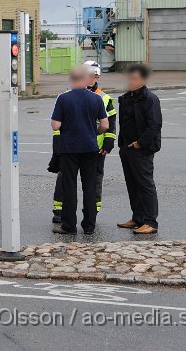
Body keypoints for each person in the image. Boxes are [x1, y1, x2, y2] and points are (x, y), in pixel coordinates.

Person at [52, 61, 116, 223]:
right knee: (65, 179)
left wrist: (108, 142)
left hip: (96, 148)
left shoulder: (104, 98)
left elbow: (111, 124)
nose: (92, 79)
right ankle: (60, 211)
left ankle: (90, 213)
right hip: (86, 146)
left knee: (93, 182)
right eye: (90, 76)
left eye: (95, 76)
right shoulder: (68, 96)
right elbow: (104, 124)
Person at [117, 64, 162, 234]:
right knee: (132, 184)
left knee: (145, 184)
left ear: (143, 80)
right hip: (126, 148)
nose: (130, 81)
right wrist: (123, 144)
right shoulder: (127, 98)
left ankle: (151, 222)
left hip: (141, 149)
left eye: (134, 78)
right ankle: (138, 218)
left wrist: (140, 143)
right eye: (129, 78)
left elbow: (154, 124)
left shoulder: (150, 99)